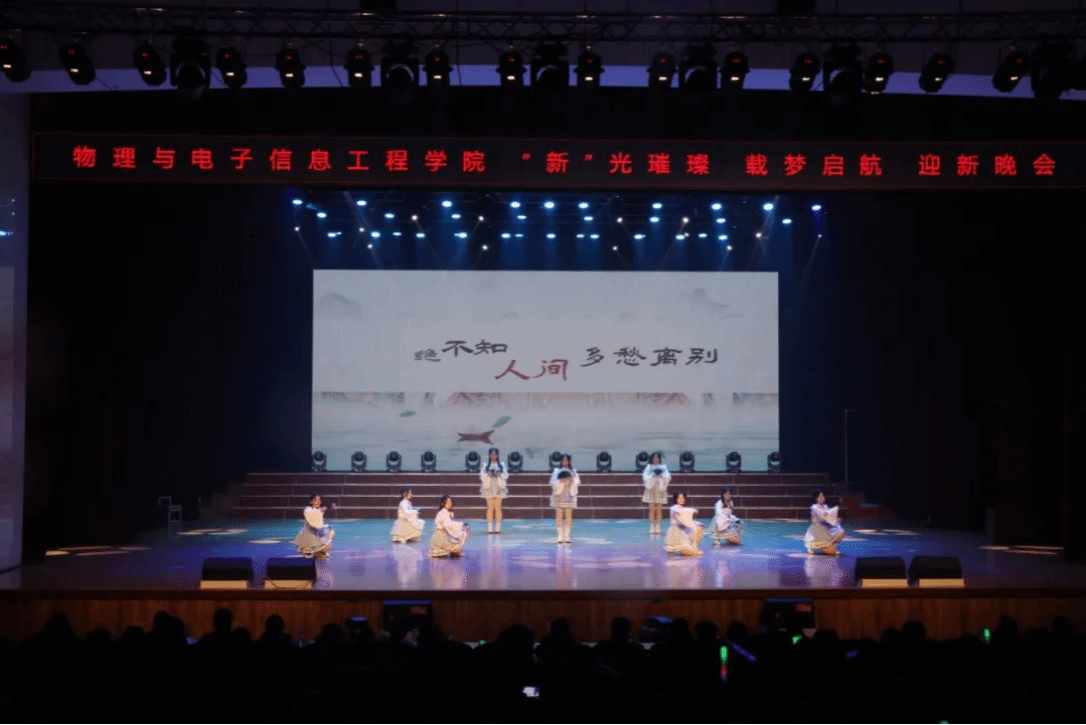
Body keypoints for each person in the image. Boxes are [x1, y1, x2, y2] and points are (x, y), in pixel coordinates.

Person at [804, 488, 845, 556]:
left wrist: (836, 520)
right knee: (832, 552)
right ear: (816, 498)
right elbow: (824, 515)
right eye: (820, 496)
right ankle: (812, 546)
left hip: (825, 530)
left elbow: (829, 518)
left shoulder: (825, 507)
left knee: (841, 532)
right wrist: (835, 508)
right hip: (817, 532)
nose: (822, 498)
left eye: (823, 496)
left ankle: (830, 546)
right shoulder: (814, 507)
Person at [549, 453, 579, 544]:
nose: (565, 462)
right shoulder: (556, 471)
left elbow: (577, 482)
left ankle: (567, 536)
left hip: (568, 495)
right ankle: (560, 536)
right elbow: (552, 482)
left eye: (566, 461)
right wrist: (559, 481)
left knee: (568, 517)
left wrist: (573, 481)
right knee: (559, 517)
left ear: (569, 461)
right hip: (559, 495)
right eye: (563, 461)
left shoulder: (573, 471)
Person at [293, 493, 335, 558]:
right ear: (311, 501)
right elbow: (312, 524)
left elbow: (320, 527)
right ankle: (310, 551)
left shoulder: (319, 511)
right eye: (315, 500)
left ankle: (318, 552)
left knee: (329, 542)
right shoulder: (308, 509)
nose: (317, 502)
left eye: (319, 500)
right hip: (308, 537)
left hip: (316, 534)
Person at [479, 447, 509, 534]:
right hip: (489, 486)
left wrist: (499, 474)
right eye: (491, 454)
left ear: (497, 455)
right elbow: (482, 475)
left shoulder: (501, 465)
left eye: (495, 454)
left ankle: (498, 527)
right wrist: (488, 474)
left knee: (498, 507)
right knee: (490, 507)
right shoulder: (486, 465)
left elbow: (506, 475)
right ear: (489, 455)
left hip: (499, 486)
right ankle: (490, 527)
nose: (493, 456)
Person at [665, 491, 704, 556]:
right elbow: (680, 512)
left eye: (683, 498)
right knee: (693, 552)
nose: (681, 500)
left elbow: (685, 516)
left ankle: (694, 546)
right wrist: (693, 510)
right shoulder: (673, 508)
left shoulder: (683, 508)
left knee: (699, 526)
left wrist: (693, 510)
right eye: (679, 498)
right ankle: (691, 550)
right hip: (677, 531)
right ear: (676, 499)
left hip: (685, 529)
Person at [641, 452, 670, 535]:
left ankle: (658, 527)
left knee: (659, 509)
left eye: (657, 458)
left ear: (660, 459)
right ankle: (652, 527)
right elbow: (645, 477)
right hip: (651, 489)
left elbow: (668, 477)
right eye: (654, 458)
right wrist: (653, 474)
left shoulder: (663, 467)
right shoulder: (649, 467)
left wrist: (661, 475)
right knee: (652, 509)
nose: (656, 460)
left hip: (660, 489)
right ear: (652, 459)